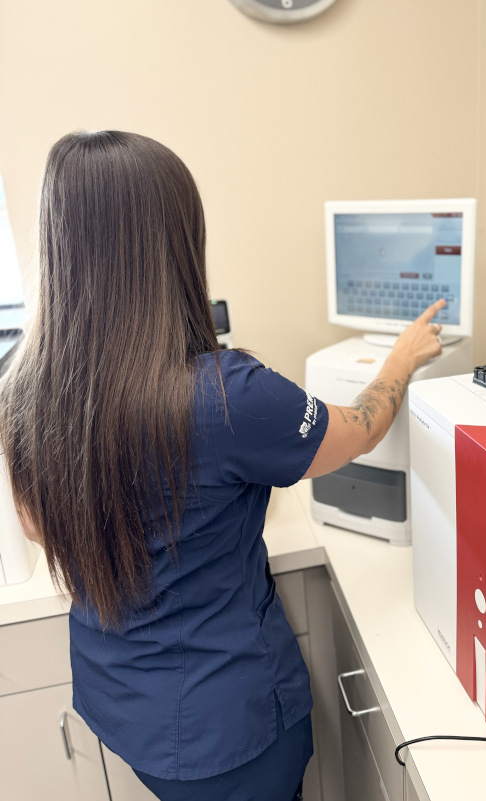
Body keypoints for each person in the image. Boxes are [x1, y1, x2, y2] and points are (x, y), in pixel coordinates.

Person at [0, 131, 445, 801]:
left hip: (123, 706)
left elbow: (38, 526)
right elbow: (359, 429)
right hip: (228, 735)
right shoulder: (226, 394)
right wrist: (401, 358)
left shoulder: (26, 390)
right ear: (172, 247)